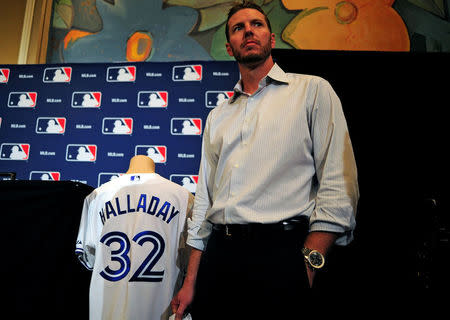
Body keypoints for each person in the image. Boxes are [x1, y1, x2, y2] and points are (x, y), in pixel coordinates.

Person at [171, 1, 359, 319]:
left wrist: (308, 262)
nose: (248, 31)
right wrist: (190, 281)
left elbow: (339, 181)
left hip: (282, 255)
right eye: (238, 28)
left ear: (271, 39)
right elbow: (204, 201)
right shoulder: (218, 115)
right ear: (230, 47)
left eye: (256, 24)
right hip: (220, 256)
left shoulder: (313, 91)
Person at [75, 155, 194, 319]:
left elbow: (90, 260)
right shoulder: (183, 196)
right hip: (160, 307)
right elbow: (191, 261)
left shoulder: (98, 195)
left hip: (109, 309)